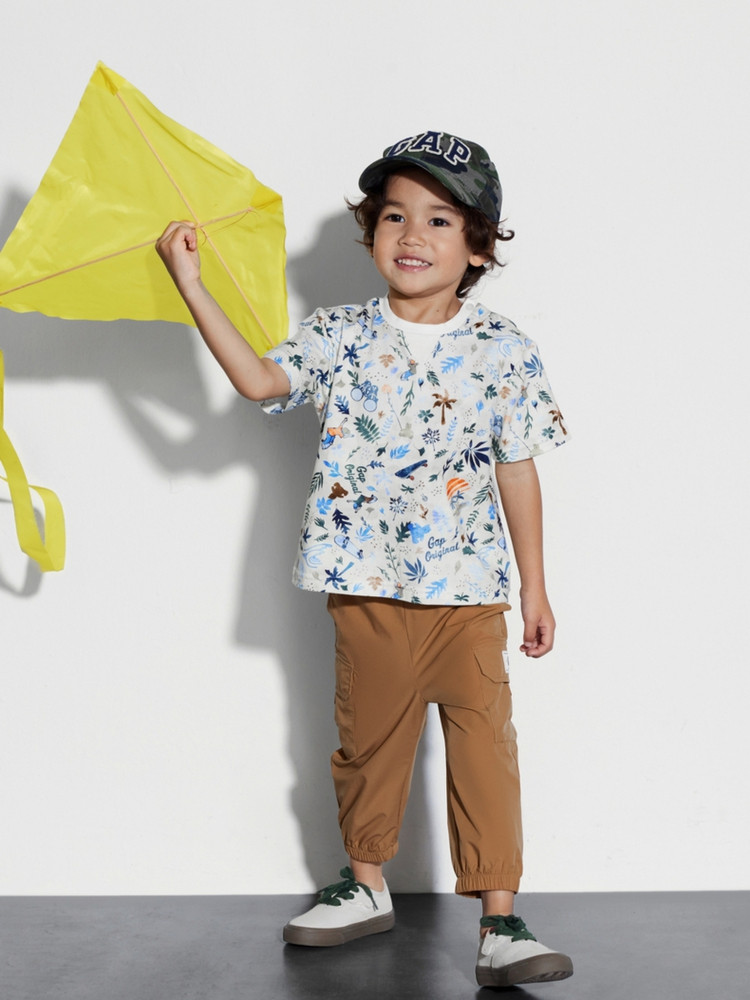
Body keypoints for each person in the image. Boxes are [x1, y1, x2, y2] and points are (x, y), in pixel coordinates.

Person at [156, 130, 572, 989]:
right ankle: (366, 884)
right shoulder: (339, 335)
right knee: (368, 744)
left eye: (439, 219)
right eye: (393, 216)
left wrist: (536, 587)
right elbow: (261, 383)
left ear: (478, 246)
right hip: (365, 585)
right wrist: (192, 285)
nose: (412, 235)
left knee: (485, 749)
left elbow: (517, 468)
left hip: (468, 593)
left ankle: (501, 921)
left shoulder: (504, 348)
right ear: (372, 231)